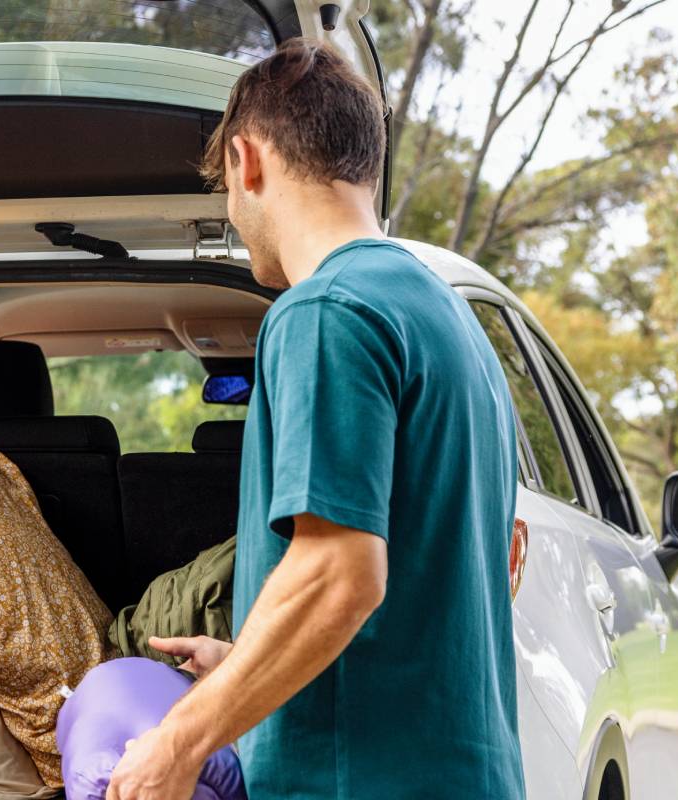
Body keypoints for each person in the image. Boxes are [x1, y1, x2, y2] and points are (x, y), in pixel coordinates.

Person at [105, 40, 524, 799]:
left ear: (246, 159)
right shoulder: (448, 321)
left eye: (224, 189)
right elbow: (416, 597)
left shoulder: (324, 311)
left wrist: (180, 740)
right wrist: (246, 669)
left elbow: (340, 574)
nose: (232, 212)